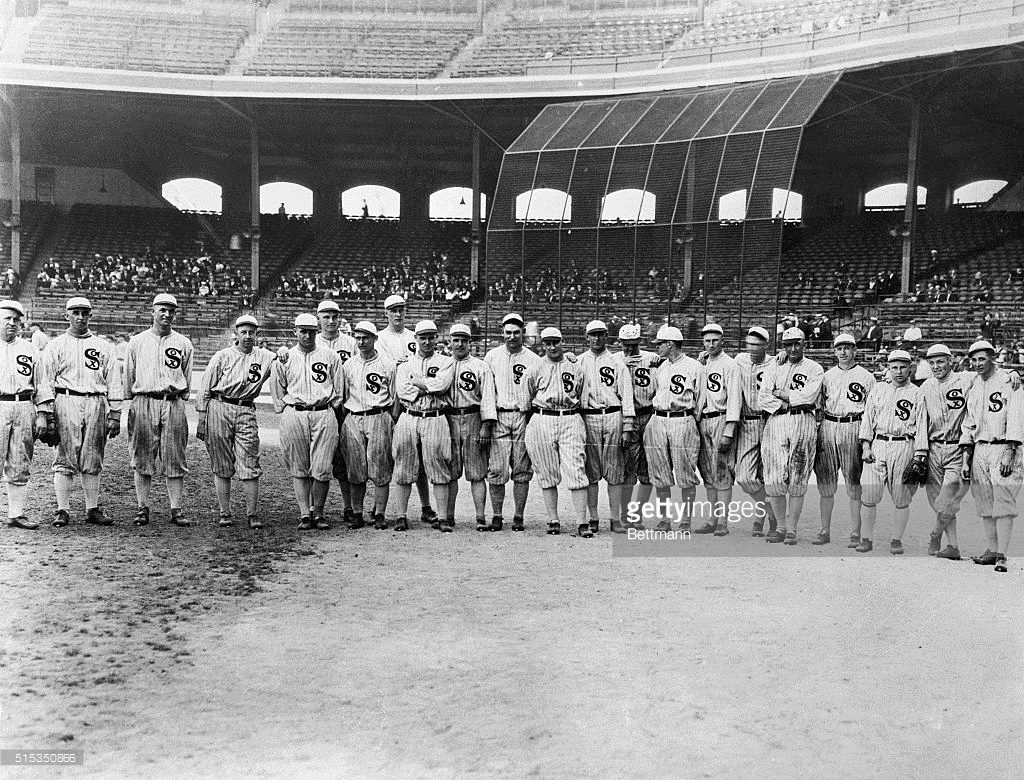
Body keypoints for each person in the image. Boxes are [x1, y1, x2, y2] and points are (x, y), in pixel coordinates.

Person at [38, 297, 122, 528]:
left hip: (96, 401)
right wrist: (48, 413)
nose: (80, 317)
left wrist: (115, 413)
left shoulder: (104, 346)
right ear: (66, 315)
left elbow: (114, 381)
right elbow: (45, 381)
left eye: (85, 313)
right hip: (66, 400)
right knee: (65, 456)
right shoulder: (56, 345)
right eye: (75, 312)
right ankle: (62, 509)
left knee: (93, 456)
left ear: (90, 316)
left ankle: (91, 509)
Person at [195, 315, 275, 529]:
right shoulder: (223, 356)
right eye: (244, 332)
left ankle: (252, 512)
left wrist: (284, 352)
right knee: (221, 461)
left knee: (249, 459)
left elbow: (283, 360)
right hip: (220, 405)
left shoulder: (265, 356)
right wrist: (202, 418)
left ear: (257, 334)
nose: (248, 336)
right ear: (236, 334)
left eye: (252, 332)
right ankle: (225, 512)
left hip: (246, 407)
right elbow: (205, 387)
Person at [124, 293, 194, 527]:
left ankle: (176, 508)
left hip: (173, 401)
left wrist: (179, 397)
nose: (166, 314)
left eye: (171, 310)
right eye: (162, 310)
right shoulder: (137, 341)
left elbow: (187, 377)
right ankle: (142, 507)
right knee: (143, 456)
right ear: (152, 311)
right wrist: (133, 400)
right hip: (144, 400)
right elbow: (129, 376)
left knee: (175, 456)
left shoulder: (183, 342)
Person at [270, 313, 344, 530]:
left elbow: (339, 390)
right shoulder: (285, 357)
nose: (308, 335)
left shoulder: (330, 356)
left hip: (323, 411)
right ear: (295, 332)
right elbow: (278, 388)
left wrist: (330, 408)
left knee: (322, 467)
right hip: (295, 411)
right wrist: (286, 407)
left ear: (317, 331)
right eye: (303, 331)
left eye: (312, 331)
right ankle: (304, 513)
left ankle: (318, 513)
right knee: (299, 466)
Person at [857, 350, 929, 555]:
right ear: (888, 368)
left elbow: (922, 424)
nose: (898, 371)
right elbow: (868, 419)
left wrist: (919, 455)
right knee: (869, 495)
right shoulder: (878, 389)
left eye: (903, 367)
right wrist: (865, 445)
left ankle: (896, 540)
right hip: (878, 444)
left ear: (910, 368)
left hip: (904, 445)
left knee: (901, 497)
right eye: (894, 367)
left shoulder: (917, 393)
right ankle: (866, 539)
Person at [959, 340, 1022, 573]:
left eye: (982, 359)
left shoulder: (1008, 381)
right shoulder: (974, 386)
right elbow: (969, 422)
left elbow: (1016, 416)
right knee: (984, 501)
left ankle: (1003, 555)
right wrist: (967, 457)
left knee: (1004, 501)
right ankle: (992, 550)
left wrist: (1010, 449)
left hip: (1003, 446)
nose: (977, 364)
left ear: (992, 358)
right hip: (980, 449)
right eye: (974, 360)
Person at [758, 326, 824, 544]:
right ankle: (780, 527)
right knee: (774, 478)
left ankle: (792, 529)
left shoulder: (814, 368)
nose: (793, 348)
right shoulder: (774, 366)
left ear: (805, 344)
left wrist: (781, 393)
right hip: (776, 421)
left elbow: (809, 396)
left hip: (803, 420)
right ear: (783, 346)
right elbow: (763, 397)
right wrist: (786, 400)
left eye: (797, 343)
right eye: (788, 344)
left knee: (798, 477)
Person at [377, 294, 436, 526]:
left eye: (401, 309)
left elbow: (421, 367)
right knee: (389, 456)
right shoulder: (380, 338)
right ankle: (380, 508)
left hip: (413, 401)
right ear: (386, 313)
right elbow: (385, 366)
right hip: (388, 397)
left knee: (419, 457)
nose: (398, 314)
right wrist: (404, 367)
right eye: (393, 310)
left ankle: (425, 506)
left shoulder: (415, 335)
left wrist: (408, 370)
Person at [524, 327, 589, 537]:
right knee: (546, 473)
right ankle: (553, 519)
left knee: (576, 469)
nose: (552, 347)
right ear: (543, 344)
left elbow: (582, 394)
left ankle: (582, 521)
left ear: (563, 342)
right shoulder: (535, 368)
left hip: (570, 416)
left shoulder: (575, 366)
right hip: (543, 417)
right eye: (547, 343)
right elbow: (525, 399)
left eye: (556, 342)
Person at [392, 320, 455, 532]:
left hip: (435, 417)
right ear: (416, 339)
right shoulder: (405, 365)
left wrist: (419, 383)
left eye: (431, 337)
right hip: (409, 416)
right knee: (404, 466)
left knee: (438, 465)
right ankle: (401, 515)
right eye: (422, 337)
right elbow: (403, 392)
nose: (427, 341)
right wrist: (428, 386)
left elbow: (442, 386)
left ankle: (443, 517)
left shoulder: (446, 362)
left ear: (437, 338)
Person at [813, 333, 874, 546]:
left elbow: (872, 411)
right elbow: (819, 405)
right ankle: (824, 530)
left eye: (848, 348)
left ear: (855, 350)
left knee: (854, 482)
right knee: (826, 482)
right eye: (840, 348)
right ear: (834, 350)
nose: (844, 352)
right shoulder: (827, 375)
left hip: (854, 425)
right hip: (829, 426)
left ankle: (855, 532)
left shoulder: (866, 376)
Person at [644, 325, 705, 532]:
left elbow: (701, 400)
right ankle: (664, 521)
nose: (657, 347)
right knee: (660, 474)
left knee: (685, 473)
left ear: (670, 344)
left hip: (683, 418)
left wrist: (689, 420)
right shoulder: (661, 366)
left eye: (660, 344)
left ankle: (685, 520)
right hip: (658, 418)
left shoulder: (695, 366)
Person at [483, 312, 541, 532]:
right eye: (508, 332)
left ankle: (518, 516)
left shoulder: (533, 359)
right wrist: (487, 420)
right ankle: (497, 516)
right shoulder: (492, 356)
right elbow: (487, 392)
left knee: (521, 469)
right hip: (499, 415)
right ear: (502, 333)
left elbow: (538, 389)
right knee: (497, 470)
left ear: (523, 333)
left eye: (516, 332)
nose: (512, 336)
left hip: (522, 415)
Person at [578, 320, 635, 535]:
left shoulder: (616, 361)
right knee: (591, 472)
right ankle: (593, 518)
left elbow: (626, 394)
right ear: (587, 337)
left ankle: (615, 518)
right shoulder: (579, 361)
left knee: (615, 472)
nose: (596, 338)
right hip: (588, 417)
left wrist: (628, 426)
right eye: (592, 335)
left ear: (606, 336)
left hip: (613, 414)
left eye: (600, 334)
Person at [341, 321, 397, 530]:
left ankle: (380, 513)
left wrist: (387, 419)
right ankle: (357, 513)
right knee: (355, 469)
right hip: (354, 416)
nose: (362, 341)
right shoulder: (348, 365)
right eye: (358, 337)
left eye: (366, 337)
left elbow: (394, 397)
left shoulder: (387, 364)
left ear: (375, 339)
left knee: (381, 468)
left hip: (379, 415)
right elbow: (344, 394)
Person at [920, 343, 974, 559]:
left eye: (940, 361)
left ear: (950, 360)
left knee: (947, 498)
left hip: (956, 447)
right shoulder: (925, 386)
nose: (936, 366)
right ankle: (953, 546)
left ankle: (935, 534)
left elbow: (991, 374)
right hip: (933, 447)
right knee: (936, 501)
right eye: (932, 362)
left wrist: (1013, 372)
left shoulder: (966, 379)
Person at [0, 300, 48, 530]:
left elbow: (42, 383)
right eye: (7, 318)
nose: (12, 323)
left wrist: (42, 413)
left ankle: (16, 514)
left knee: (20, 461)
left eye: (16, 319)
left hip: (24, 405)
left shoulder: (29, 348)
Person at [445, 323, 497, 532]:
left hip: (473, 415)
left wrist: (486, 426)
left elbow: (488, 398)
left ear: (470, 343)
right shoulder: (443, 365)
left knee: (477, 472)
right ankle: (448, 515)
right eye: (455, 340)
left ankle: (480, 517)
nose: (459, 344)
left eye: (463, 340)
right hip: (449, 417)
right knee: (450, 471)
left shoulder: (480, 366)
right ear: (450, 342)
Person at [694, 323, 742, 536]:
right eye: (707, 341)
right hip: (703, 420)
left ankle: (723, 521)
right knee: (708, 473)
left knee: (722, 471)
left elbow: (734, 399)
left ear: (723, 341)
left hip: (721, 419)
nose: (711, 344)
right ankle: (712, 518)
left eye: (715, 340)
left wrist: (729, 430)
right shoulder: (703, 362)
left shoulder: (730, 365)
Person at [733, 326, 777, 536]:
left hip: (770, 421)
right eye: (749, 344)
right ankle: (772, 513)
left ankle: (761, 518)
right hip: (747, 423)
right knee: (745, 477)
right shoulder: (740, 360)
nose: (752, 348)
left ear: (766, 345)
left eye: (757, 345)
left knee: (767, 475)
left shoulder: (776, 362)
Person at [316, 299, 357, 524]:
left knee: (345, 459)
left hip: (346, 408)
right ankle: (314, 508)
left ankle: (348, 506)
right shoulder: (313, 342)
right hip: (322, 409)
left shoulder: (351, 343)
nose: (331, 321)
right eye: (326, 317)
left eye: (335, 316)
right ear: (318, 318)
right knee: (318, 458)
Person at [616, 323, 659, 531]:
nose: (630, 349)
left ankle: (637, 515)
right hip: (626, 418)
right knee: (627, 469)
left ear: (639, 342)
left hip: (648, 414)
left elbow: (677, 361)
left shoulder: (651, 358)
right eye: (626, 345)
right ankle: (624, 514)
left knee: (648, 469)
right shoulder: (615, 359)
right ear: (620, 342)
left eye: (633, 345)